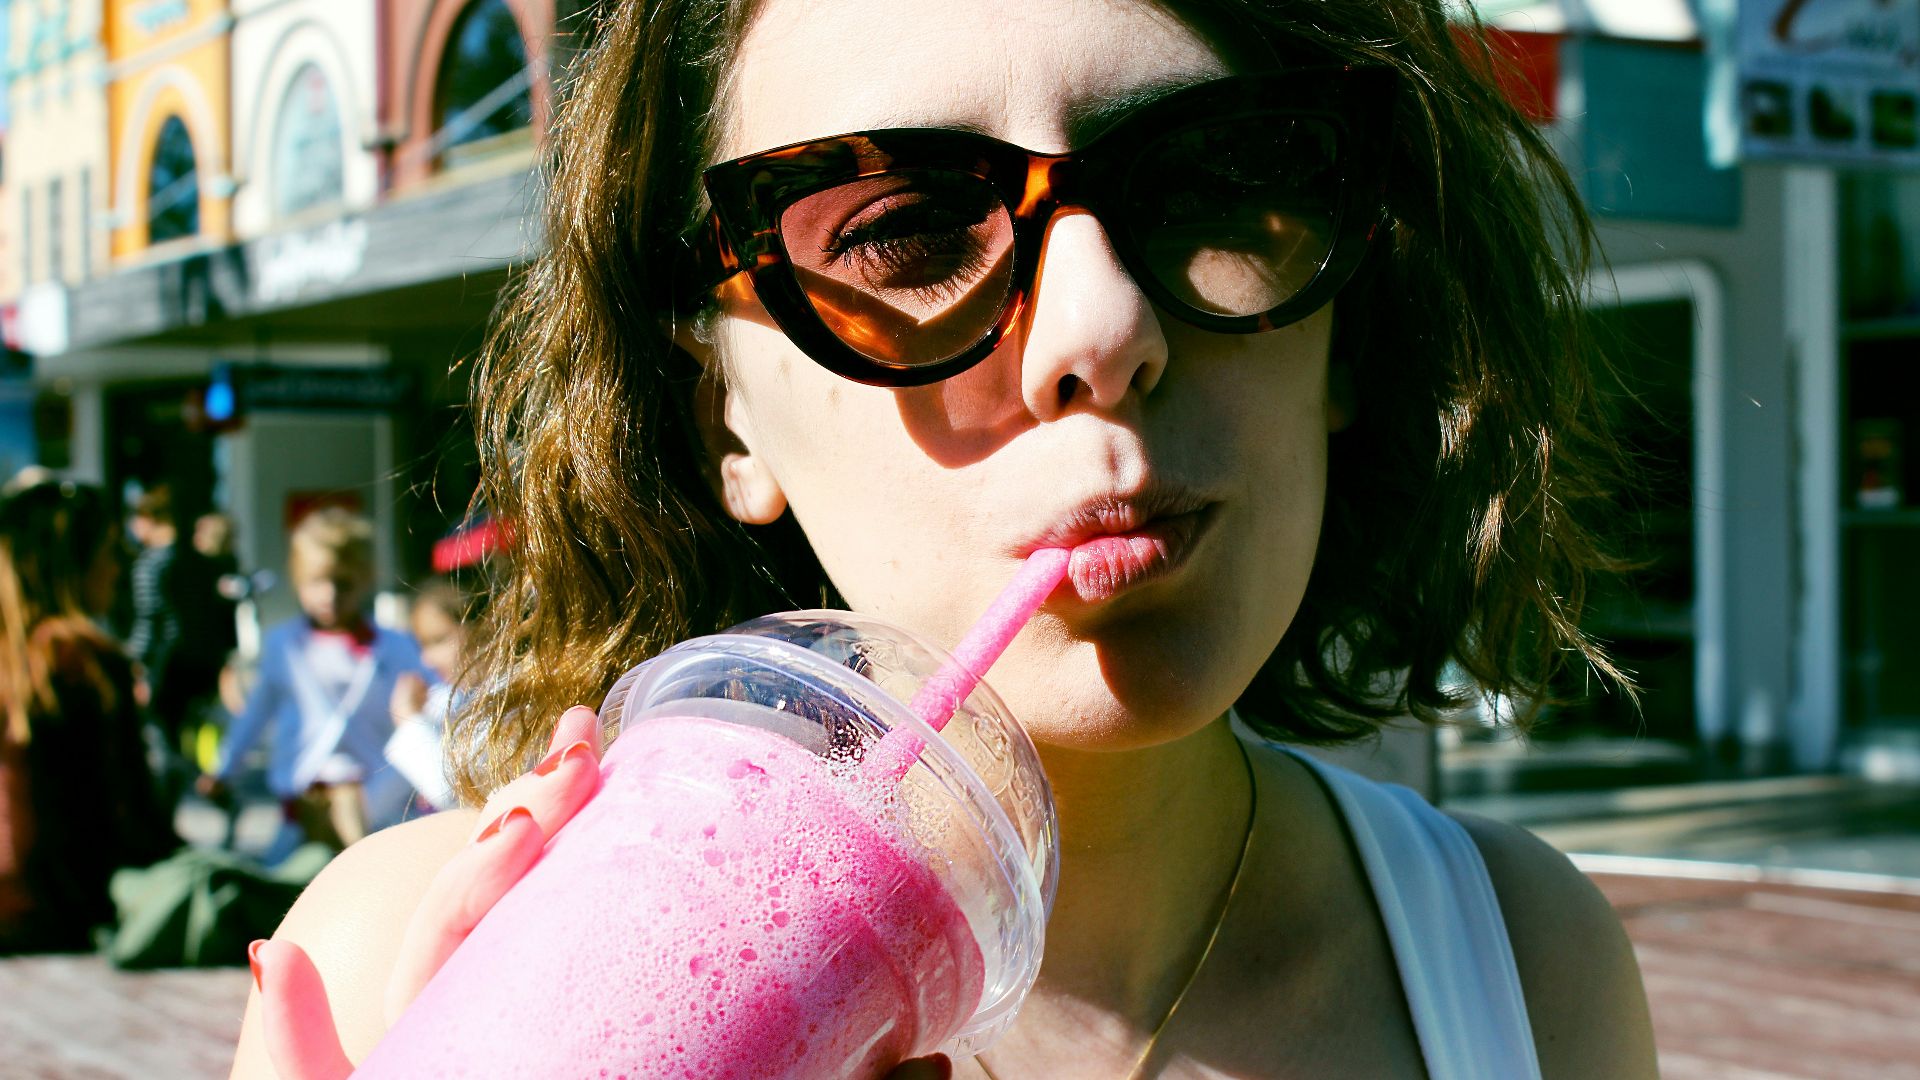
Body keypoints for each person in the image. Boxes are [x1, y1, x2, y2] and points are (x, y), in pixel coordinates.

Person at [233, 0, 1661, 1077]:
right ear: (722, 411)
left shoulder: (1525, 967)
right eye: (903, 230)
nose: (1104, 330)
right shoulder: (398, 977)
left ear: (1349, 325)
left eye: (1218, 178)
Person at [0, 479, 179, 952]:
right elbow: (131, 819)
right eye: (109, 551)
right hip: (61, 917)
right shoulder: (81, 658)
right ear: (71, 563)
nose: (119, 568)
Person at [202, 507, 426, 851]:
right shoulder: (284, 644)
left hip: (372, 803)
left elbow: (434, 703)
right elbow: (256, 712)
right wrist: (224, 768)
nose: (330, 595)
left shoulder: (393, 647)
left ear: (365, 578)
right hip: (302, 802)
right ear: (297, 579)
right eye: (316, 582)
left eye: (343, 583)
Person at [126, 487, 230, 760]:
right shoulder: (200, 561)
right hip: (204, 660)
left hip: (167, 664)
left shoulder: (150, 564)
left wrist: (135, 663)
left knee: (164, 741)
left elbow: (150, 619)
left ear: (149, 518)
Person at [379, 577, 475, 816]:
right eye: (422, 645)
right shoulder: (446, 702)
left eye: (439, 639)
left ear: (483, 625)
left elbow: (454, 791)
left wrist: (409, 721)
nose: (427, 660)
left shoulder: (509, 700)